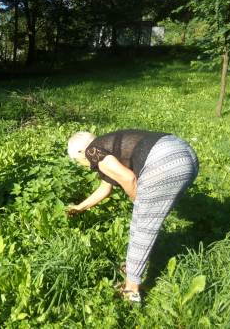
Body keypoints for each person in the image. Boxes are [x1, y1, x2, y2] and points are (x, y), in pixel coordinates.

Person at [67, 129, 199, 302]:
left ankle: (131, 290)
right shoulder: (107, 148)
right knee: (143, 220)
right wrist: (80, 207)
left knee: (143, 226)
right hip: (184, 155)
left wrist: (136, 199)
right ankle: (132, 268)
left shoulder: (92, 151)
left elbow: (129, 179)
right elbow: (105, 188)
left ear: (80, 152)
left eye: (77, 161)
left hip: (165, 161)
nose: (82, 165)